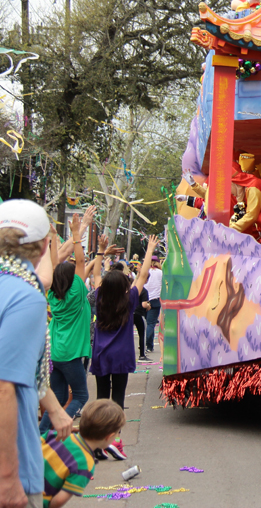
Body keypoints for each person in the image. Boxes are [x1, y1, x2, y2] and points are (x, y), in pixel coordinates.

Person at [0, 199, 73, 508]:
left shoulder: (16, 285)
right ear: (45, 244)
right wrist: (7, 480)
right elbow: (4, 386)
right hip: (12, 461)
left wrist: (54, 409)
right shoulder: (26, 296)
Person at [39, 208, 97, 435]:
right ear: (74, 279)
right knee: (81, 396)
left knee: (60, 396)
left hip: (54, 353)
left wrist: (54, 237)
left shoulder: (52, 294)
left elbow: (53, 265)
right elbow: (80, 260)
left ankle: (42, 436)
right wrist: (76, 234)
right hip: (72, 354)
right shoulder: (77, 291)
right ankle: (54, 428)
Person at [92, 235, 159, 413]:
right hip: (121, 354)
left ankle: (100, 433)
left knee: (101, 397)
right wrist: (150, 250)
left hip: (101, 353)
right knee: (118, 398)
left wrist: (101, 250)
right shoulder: (129, 299)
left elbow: (96, 274)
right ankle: (115, 434)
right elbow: (143, 275)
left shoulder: (100, 297)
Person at [41, 399, 125, 508]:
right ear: (109, 437)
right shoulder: (85, 464)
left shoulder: (57, 434)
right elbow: (59, 500)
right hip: (35, 500)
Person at [144, 256, 162, 353]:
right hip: (155, 300)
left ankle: (144, 344)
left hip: (143, 299)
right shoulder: (161, 273)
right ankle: (149, 345)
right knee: (151, 324)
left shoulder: (145, 271)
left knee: (144, 323)